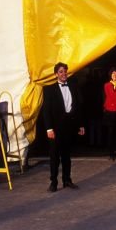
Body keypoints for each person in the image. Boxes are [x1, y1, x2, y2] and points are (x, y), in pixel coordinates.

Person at [41, 62, 85, 192]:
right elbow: (46, 110)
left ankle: (67, 180)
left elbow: (78, 107)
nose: (64, 73)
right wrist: (49, 128)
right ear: (56, 74)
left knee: (66, 155)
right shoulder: (49, 89)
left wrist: (80, 124)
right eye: (61, 72)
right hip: (55, 128)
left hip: (69, 126)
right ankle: (53, 182)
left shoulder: (73, 86)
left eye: (65, 71)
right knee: (54, 156)